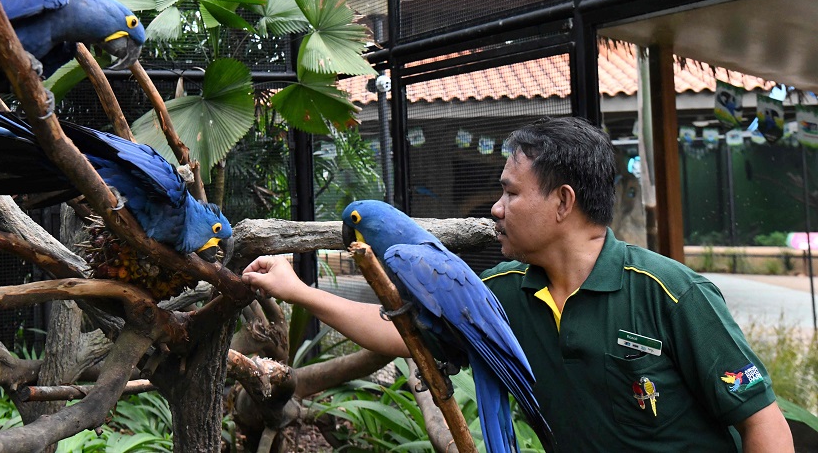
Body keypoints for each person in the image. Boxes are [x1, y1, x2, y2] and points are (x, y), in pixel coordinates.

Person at [242, 117, 794, 452]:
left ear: (563, 202)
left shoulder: (670, 292)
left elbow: (763, 423)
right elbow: (400, 333)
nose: (495, 208)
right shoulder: (503, 289)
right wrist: (298, 288)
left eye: (509, 193)